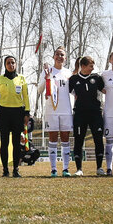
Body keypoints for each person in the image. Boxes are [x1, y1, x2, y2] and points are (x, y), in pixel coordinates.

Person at [0, 55, 29, 178]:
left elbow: (26, 96)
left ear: (16, 64)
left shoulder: (21, 78)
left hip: (18, 113)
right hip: (3, 113)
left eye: (13, 62)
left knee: (16, 143)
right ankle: (5, 169)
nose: (11, 65)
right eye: (8, 63)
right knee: (5, 143)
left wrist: (27, 112)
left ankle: (16, 169)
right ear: (5, 65)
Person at [68, 56, 106, 176]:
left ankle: (99, 167)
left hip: (95, 113)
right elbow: (67, 92)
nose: (93, 68)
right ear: (83, 66)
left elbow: (105, 90)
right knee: (79, 140)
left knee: (98, 140)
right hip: (80, 114)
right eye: (90, 66)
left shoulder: (97, 78)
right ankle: (79, 169)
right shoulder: (73, 79)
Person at [43, 47, 73, 177]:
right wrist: (46, 79)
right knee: (53, 139)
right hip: (51, 111)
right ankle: (53, 169)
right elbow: (39, 89)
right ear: (53, 56)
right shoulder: (47, 71)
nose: (59, 57)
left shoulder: (68, 73)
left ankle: (65, 169)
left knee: (65, 138)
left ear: (65, 58)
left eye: (62, 55)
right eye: (57, 54)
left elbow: (73, 91)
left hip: (66, 111)